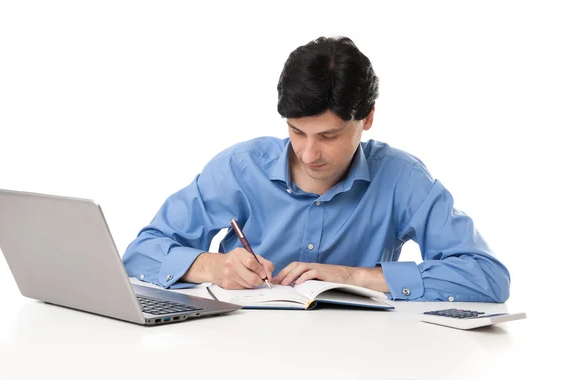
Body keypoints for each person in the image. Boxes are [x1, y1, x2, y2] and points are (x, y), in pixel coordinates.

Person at [122, 36, 510, 302]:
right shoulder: (241, 168)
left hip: (360, 357)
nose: (309, 154)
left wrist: (352, 277)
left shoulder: (402, 178)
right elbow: (141, 253)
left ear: (368, 118)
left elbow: (487, 276)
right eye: (296, 131)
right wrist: (213, 266)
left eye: (329, 135)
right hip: (239, 352)